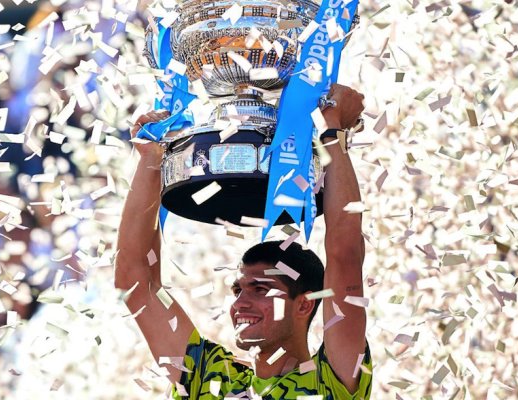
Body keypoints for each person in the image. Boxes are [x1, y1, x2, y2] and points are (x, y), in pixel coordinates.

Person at [115, 83, 372, 399]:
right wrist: (150, 159)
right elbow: (134, 281)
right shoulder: (211, 379)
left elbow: (344, 254)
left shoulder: (331, 382)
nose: (239, 304)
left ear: (304, 303)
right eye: (238, 289)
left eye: (260, 289)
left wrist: (331, 133)